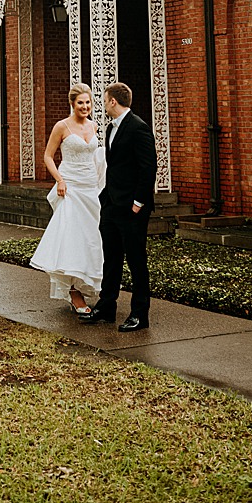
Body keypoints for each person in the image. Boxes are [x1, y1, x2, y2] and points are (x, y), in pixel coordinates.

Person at [78, 81, 157, 332]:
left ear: (113, 101)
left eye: (104, 99)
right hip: (111, 205)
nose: (102, 103)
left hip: (132, 208)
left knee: (136, 261)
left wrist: (138, 203)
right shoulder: (111, 128)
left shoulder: (138, 128)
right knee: (111, 258)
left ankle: (139, 314)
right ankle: (107, 307)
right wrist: (106, 199)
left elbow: (148, 168)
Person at [29, 83, 105, 313]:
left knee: (92, 238)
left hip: (91, 187)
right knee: (72, 237)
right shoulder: (62, 126)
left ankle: (91, 282)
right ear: (72, 104)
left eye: (88, 102)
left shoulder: (94, 126)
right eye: (80, 102)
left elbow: (97, 156)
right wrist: (60, 180)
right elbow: (48, 156)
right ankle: (73, 292)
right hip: (70, 187)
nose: (85, 106)